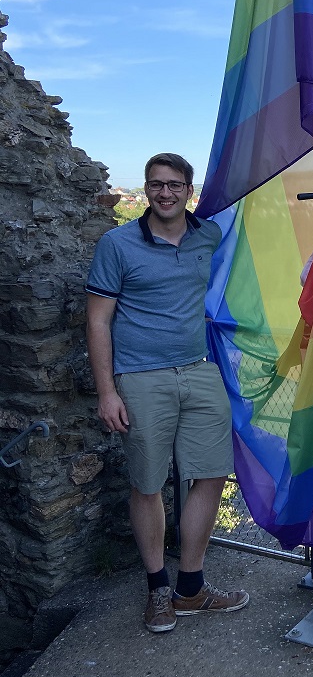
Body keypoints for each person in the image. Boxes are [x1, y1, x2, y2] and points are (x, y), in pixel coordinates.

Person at [86, 153, 248, 633]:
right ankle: (158, 587)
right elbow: (98, 319)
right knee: (148, 483)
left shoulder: (207, 235)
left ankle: (191, 589)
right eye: (156, 185)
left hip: (199, 370)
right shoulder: (117, 244)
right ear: (146, 188)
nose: (165, 193)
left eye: (175, 185)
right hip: (141, 378)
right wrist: (106, 392)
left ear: (189, 190)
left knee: (213, 472)